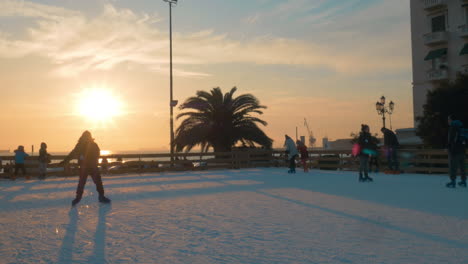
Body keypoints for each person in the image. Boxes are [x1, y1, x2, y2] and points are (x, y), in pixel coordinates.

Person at [60, 131, 111, 206]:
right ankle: (78, 198)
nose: (86, 138)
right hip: (85, 167)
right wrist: (65, 161)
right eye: (85, 136)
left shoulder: (93, 145)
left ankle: (101, 196)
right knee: (82, 183)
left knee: (97, 182)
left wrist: (90, 158)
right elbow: (73, 154)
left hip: (92, 166)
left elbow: (97, 153)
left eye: (87, 136)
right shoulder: (80, 145)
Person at [446, 115, 466, 188]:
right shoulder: (461, 126)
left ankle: (453, 182)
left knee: (453, 167)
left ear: (451, 120)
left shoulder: (453, 127)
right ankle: (463, 181)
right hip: (463, 150)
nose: (448, 121)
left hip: (455, 151)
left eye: (448, 119)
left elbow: (451, 139)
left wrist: (448, 147)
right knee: (462, 167)